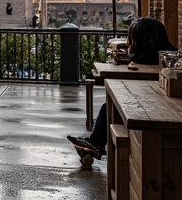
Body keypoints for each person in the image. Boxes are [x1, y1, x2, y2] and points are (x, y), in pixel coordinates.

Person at [67, 17, 174, 159]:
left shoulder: (146, 56)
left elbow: (134, 54)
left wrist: (131, 52)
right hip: (155, 104)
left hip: (153, 110)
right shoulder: (166, 53)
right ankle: (93, 145)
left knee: (110, 106)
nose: (129, 43)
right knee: (109, 106)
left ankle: (94, 145)